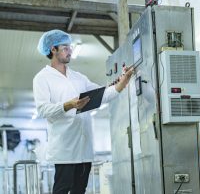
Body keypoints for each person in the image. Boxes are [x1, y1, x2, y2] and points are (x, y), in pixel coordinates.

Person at [33, 29, 133, 194]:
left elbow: (101, 95)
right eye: (65, 47)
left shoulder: (78, 77)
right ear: (53, 49)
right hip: (64, 149)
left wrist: (122, 83)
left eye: (70, 47)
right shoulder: (42, 78)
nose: (70, 51)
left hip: (84, 149)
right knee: (62, 190)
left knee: (80, 190)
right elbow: (43, 109)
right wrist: (69, 105)